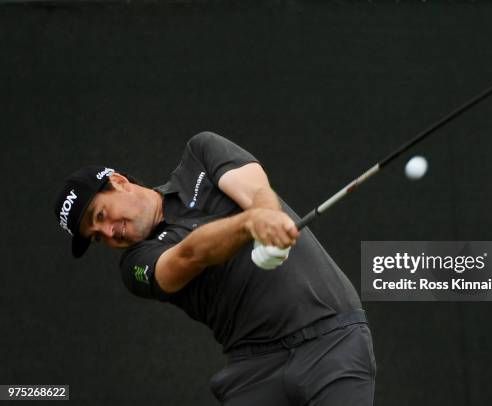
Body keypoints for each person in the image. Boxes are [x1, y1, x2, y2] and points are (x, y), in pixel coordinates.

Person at [54, 131, 376, 405]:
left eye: (100, 216)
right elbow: (190, 256)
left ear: (119, 182)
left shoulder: (201, 154)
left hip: (332, 339)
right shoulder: (135, 266)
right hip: (255, 373)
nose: (110, 232)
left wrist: (266, 215)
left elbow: (256, 191)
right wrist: (250, 224)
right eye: (97, 238)